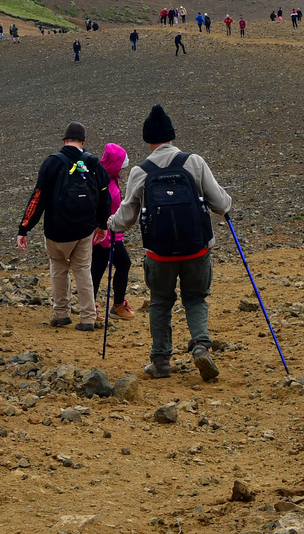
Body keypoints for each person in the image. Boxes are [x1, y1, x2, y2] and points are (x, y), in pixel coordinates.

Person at [107, 105, 232, 382]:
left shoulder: (141, 172)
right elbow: (221, 204)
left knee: (161, 301)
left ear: (148, 140)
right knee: (195, 298)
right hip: (196, 249)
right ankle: (200, 345)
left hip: (160, 254)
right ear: (172, 136)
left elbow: (125, 218)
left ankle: (161, 360)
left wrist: (110, 224)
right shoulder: (194, 162)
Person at [17, 123, 109, 331]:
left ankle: (61, 313)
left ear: (64, 141)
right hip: (85, 228)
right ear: (83, 142)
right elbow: (105, 196)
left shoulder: (52, 163)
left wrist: (24, 228)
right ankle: (87, 317)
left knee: (59, 267)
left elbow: (38, 198)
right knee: (83, 269)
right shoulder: (92, 163)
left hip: (57, 230)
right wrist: (102, 225)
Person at [91, 143, 135, 320]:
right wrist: (108, 239)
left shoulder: (100, 179)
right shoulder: (107, 185)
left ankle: (90, 307)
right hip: (107, 237)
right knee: (123, 264)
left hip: (100, 236)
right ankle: (117, 307)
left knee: (97, 269)